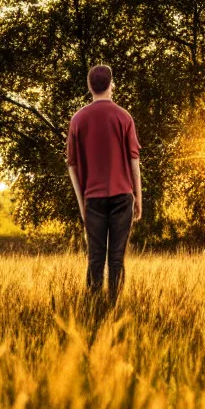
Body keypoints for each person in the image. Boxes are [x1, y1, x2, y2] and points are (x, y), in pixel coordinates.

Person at [66, 64, 142, 306]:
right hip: (122, 197)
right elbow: (134, 160)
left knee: (95, 258)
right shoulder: (124, 117)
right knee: (116, 259)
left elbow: (72, 166)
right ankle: (114, 308)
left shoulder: (77, 119)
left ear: (90, 87)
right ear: (112, 85)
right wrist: (138, 197)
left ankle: (93, 309)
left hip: (93, 200)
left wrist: (82, 204)